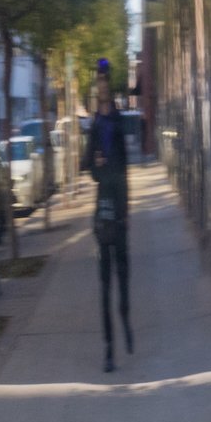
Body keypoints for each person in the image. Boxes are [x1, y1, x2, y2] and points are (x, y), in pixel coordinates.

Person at [82, 59, 132, 372]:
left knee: (124, 280)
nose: (102, 91)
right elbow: (88, 166)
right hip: (102, 213)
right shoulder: (95, 126)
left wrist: (127, 212)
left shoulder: (117, 121)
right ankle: (109, 348)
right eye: (98, 86)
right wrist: (98, 166)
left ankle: (125, 321)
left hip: (119, 214)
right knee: (104, 285)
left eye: (105, 85)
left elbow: (125, 169)